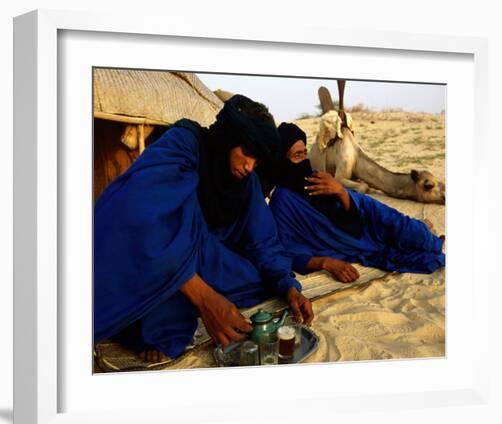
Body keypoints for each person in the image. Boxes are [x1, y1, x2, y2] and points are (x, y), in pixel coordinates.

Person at [94, 96, 313, 363]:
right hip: (159, 252)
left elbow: (264, 240)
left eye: (257, 161)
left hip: (206, 258)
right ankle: (144, 326)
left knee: (261, 280)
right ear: (228, 138)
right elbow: (135, 215)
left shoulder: (246, 182)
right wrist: (205, 298)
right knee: (154, 303)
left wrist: (288, 286)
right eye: (247, 152)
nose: (249, 166)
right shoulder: (183, 145)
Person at [269, 122, 445, 283]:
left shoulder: (316, 177)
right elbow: (285, 251)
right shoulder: (282, 201)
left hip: (367, 220)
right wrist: (326, 263)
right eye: (297, 155)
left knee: (419, 237)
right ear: (283, 160)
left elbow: (356, 209)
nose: (305, 160)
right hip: (353, 243)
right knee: (424, 258)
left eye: (305, 153)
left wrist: (339, 190)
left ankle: (424, 231)